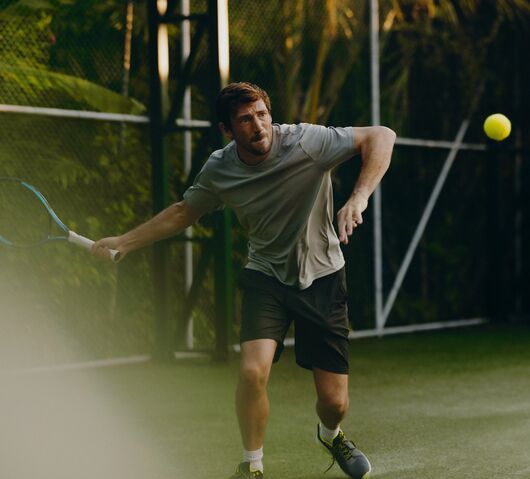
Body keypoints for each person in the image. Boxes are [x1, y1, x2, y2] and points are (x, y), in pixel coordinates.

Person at [91, 82, 395, 479]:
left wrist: (358, 197)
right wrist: (125, 242)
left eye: (262, 114)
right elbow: (184, 211)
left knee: (334, 403)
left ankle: (331, 434)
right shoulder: (220, 168)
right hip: (266, 277)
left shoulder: (306, 142)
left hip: (323, 276)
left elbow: (381, 136)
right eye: (245, 119)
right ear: (227, 130)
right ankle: (252, 464)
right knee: (252, 372)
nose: (258, 125)